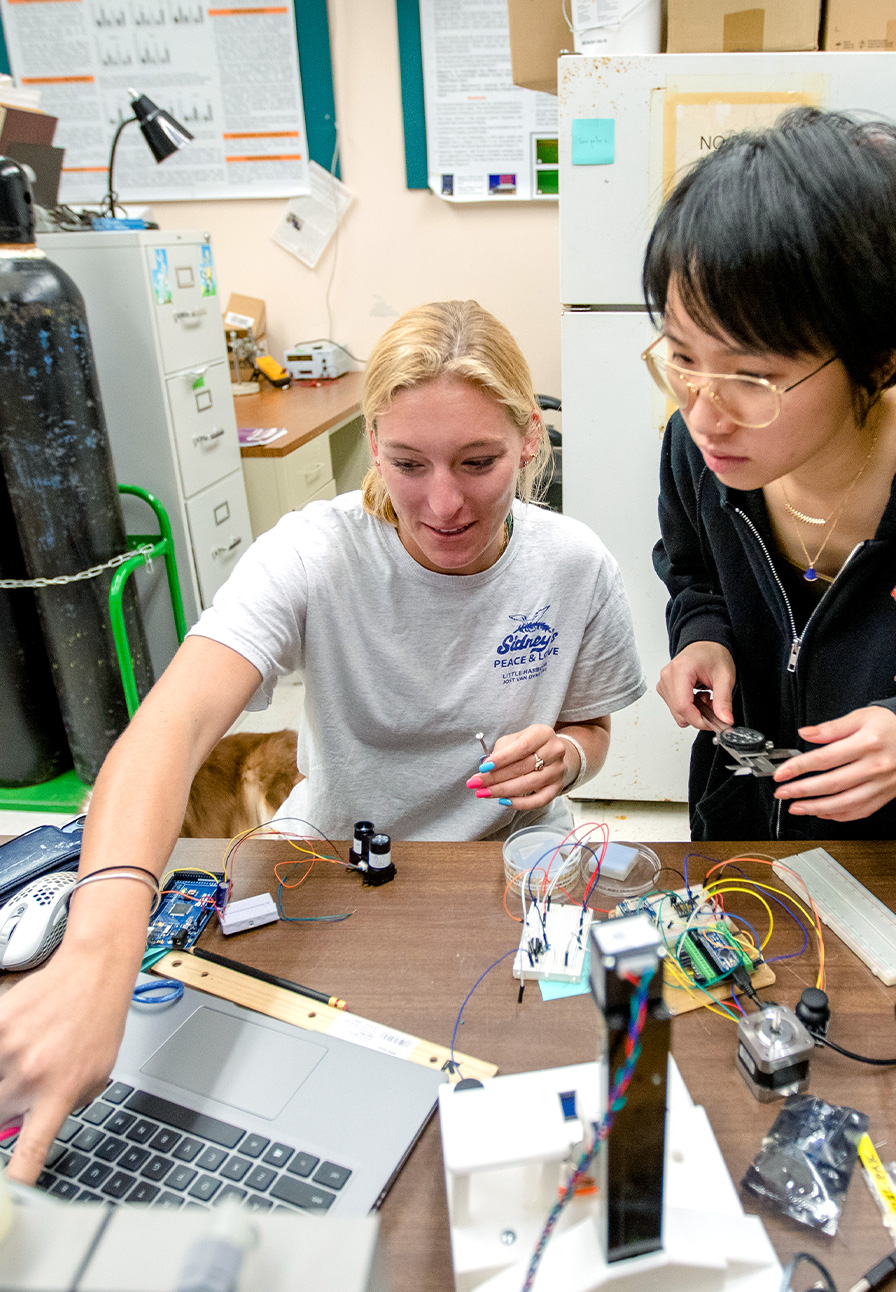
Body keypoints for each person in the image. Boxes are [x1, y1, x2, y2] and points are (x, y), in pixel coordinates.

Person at [0, 299, 645, 1183]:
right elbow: (170, 727)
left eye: (479, 462)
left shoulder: (574, 566)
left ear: (531, 440)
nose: (444, 504)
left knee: (550, 1094)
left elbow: (593, 725)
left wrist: (569, 757)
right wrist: (99, 951)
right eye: (409, 463)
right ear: (372, 440)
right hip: (335, 862)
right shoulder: (314, 552)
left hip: (513, 867)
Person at [644, 108, 896, 841]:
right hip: (749, 830)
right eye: (683, 357)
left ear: (880, 359)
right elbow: (695, 573)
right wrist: (702, 636)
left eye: (753, 376)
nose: (704, 412)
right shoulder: (694, 450)